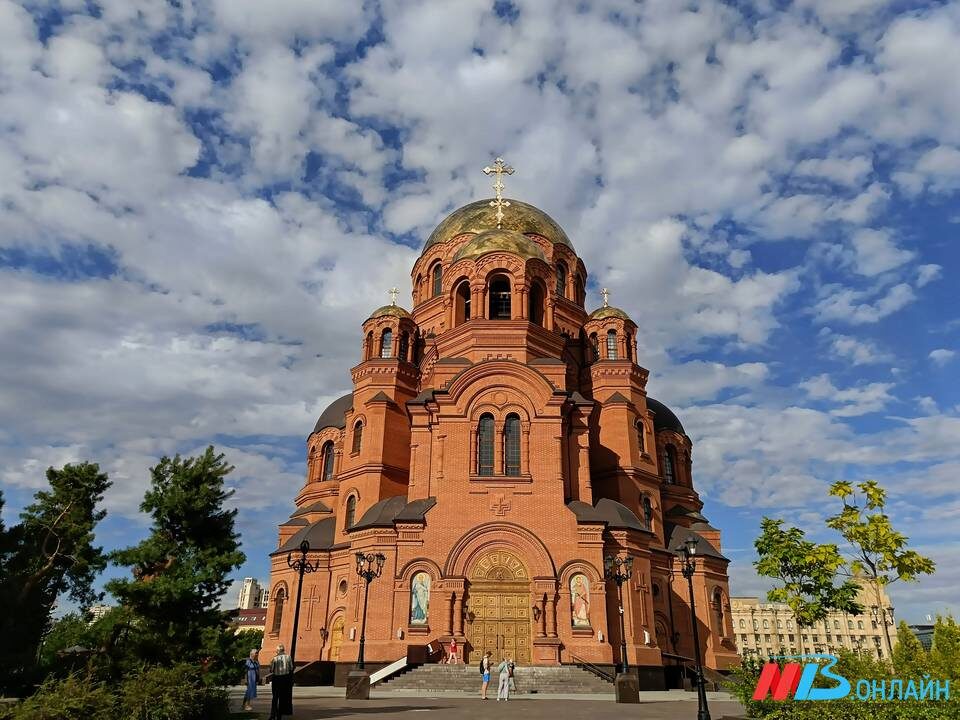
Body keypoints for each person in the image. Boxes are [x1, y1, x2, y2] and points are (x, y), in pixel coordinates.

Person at [269, 644, 294, 720]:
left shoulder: (275, 658)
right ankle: (279, 716)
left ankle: (273, 715)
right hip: (285, 679)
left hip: (276, 679)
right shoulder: (288, 657)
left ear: (278, 651)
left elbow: (271, 670)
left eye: (276, 650)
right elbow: (291, 668)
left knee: (275, 698)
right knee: (282, 698)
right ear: (283, 650)